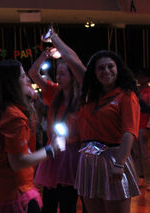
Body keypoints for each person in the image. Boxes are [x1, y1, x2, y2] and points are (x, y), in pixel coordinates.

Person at [49, 31, 140, 212]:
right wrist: (54, 37)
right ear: (94, 73)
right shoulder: (90, 92)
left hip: (114, 159)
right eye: (101, 68)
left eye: (110, 66)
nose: (106, 71)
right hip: (89, 160)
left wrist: (120, 163)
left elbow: (129, 132)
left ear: (118, 69)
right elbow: (72, 60)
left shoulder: (126, 96)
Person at [0, 59, 59, 213]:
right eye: (22, 76)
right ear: (11, 83)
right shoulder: (13, 117)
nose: (27, 80)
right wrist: (51, 149)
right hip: (12, 193)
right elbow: (18, 162)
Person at [29, 50, 82, 213]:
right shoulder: (53, 92)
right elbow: (33, 73)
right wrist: (44, 55)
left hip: (72, 153)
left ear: (73, 76)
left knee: (68, 201)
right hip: (53, 152)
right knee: (49, 201)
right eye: (57, 74)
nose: (58, 78)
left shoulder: (81, 98)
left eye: (62, 74)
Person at [131, 69, 150, 190]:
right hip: (135, 125)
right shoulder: (137, 92)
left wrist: (148, 127)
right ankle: (140, 177)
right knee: (136, 153)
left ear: (146, 78)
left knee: (146, 153)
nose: (139, 79)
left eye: (141, 77)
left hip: (144, 125)